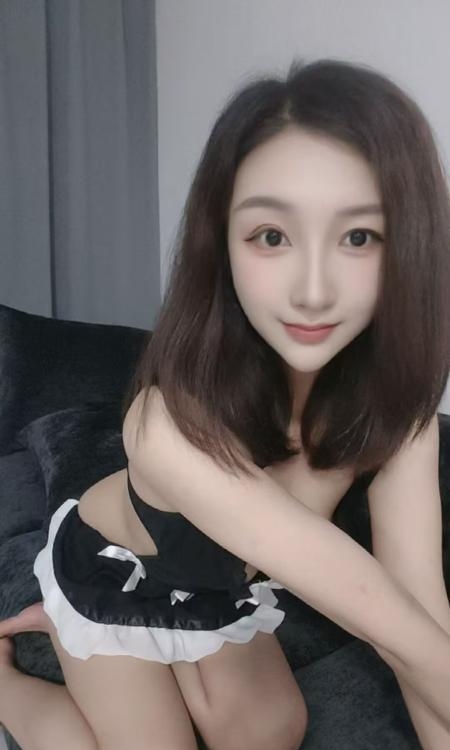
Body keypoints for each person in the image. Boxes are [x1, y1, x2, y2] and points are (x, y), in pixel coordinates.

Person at [1, 56, 450, 750]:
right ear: (223, 243)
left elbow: (418, 616)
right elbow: (400, 632)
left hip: (215, 586)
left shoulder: (397, 412)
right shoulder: (165, 425)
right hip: (113, 575)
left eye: (358, 237)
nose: (313, 291)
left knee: (274, 731)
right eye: (272, 236)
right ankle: (17, 678)